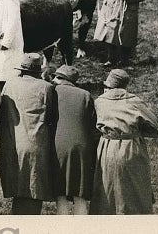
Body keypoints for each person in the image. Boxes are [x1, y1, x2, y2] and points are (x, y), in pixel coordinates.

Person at [90, 69, 158, 214]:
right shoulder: (133, 100)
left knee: (106, 189)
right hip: (130, 147)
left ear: (108, 86)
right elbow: (153, 123)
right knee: (134, 190)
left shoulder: (99, 101)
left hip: (107, 148)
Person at [0, 53, 57, 214]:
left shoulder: (10, 85)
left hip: (13, 143)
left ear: (21, 70)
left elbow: (1, 113)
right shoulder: (47, 88)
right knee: (34, 190)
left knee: (18, 188)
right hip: (37, 144)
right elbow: (52, 116)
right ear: (38, 71)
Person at [50, 65, 96, 214]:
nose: (53, 80)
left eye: (55, 77)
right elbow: (92, 122)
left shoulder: (52, 92)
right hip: (83, 147)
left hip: (59, 146)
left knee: (61, 193)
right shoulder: (86, 95)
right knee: (80, 194)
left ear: (60, 79)